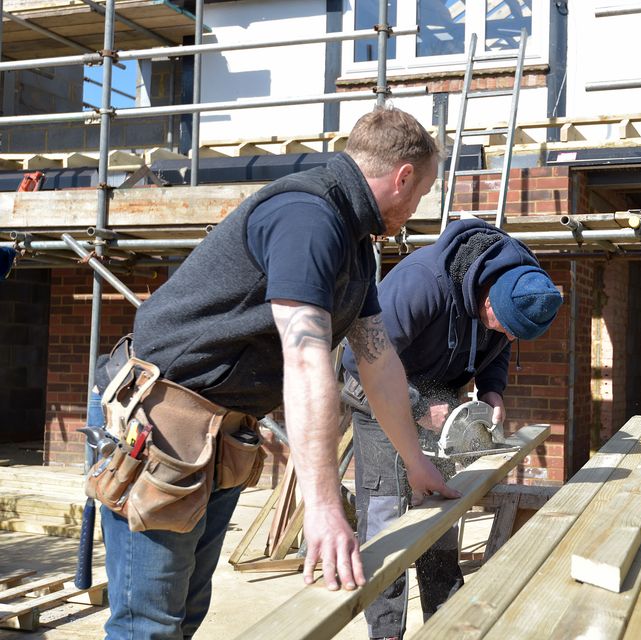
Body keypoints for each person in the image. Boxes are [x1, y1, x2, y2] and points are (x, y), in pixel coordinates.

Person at [94, 106, 460, 639]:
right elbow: (308, 360)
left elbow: (378, 362)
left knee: (185, 612)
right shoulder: (307, 218)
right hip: (160, 426)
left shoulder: (356, 245)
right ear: (403, 177)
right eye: (422, 192)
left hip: (218, 433)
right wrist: (325, 509)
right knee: (148, 625)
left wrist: (416, 462)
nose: (418, 206)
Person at [341, 217, 563, 640]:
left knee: (438, 512)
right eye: (504, 326)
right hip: (379, 398)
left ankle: (446, 619)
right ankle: (386, 631)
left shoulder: (516, 286)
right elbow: (358, 364)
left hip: (440, 402)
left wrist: (493, 389)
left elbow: (496, 348)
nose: (506, 336)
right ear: (489, 300)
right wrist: (420, 408)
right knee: (389, 522)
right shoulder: (421, 283)